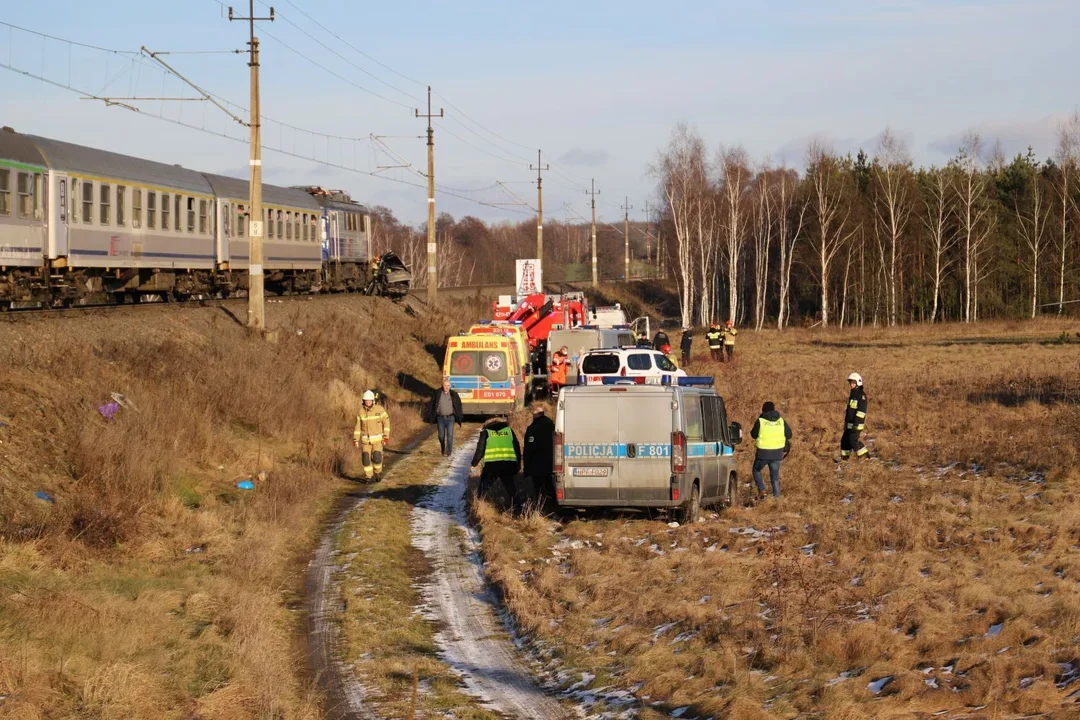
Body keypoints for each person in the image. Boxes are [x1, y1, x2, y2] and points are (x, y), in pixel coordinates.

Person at [470, 416, 522, 511]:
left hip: (492, 466)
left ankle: (478, 506)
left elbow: (480, 449)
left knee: (483, 487)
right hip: (508, 464)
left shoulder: (486, 432)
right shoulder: (509, 431)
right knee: (511, 487)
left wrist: (474, 463)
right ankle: (518, 507)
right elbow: (517, 447)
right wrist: (518, 462)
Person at [750, 401, 792, 499]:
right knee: (775, 477)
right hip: (777, 453)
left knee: (756, 470)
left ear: (763, 410)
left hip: (763, 453)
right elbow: (789, 434)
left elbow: (753, 435)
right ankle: (777, 498)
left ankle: (762, 490)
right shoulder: (781, 420)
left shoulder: (760, 421)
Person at [353, 390, 390, 482]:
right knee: (365, 458)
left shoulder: (380, 410)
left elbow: (387, 423)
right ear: (363, 401)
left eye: (369, 400)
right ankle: (368, 477)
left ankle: (378, 472)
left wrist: (386, 437)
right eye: (366, 400)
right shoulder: (360, 412)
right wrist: (355, 439)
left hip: (378, 441)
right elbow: (358, 427)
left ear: (373, 401)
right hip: (366, 441)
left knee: (377, 458)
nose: (367, 402)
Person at [523, 407, 556, 501]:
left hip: (536, 461)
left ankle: (540, 503)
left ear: (536, 415)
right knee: (549, 483)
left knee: (538, 485)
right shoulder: (551, 425)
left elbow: (530, 446)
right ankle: (552, 501)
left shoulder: (534, 427)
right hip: (550, 460)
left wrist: (527, 461)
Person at [427, 378, 463, 456]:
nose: (446, 387)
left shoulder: (454, 394)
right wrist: (432, 414)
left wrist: (458, 414)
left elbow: (459, 405)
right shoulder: (437, 393)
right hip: (440, 418)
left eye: (448, 385)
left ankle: (448, 451)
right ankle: (443, 447)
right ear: (442, 386)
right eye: (445, 385)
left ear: (450, 386)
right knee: (441, 436)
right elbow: (431, 404)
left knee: (450, 435)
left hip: (451, 418)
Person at [840, 372, 869, 460]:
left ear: (858, 383)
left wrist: (856, 424)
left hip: (856, 424)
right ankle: (845, 460)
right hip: (849, 424)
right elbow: (849, 411)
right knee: (844, 441)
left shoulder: (861, 395)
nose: (851, 384)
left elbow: (861, 411)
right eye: (851, 382)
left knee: (853, 441)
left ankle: (865, 457)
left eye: (853, 382)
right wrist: (846, 423)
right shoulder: (852, 394)